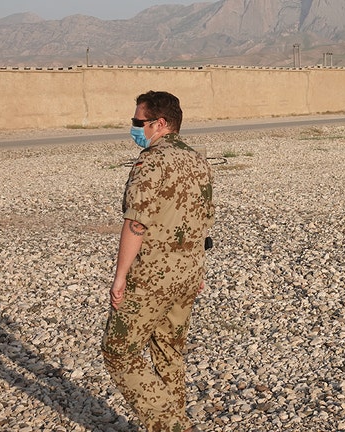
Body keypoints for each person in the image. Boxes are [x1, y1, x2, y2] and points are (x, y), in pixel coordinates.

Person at [102, 91, 214, 432]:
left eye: (139, 122)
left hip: (153, 276)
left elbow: (137, 222)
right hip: (188, 274)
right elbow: (202, 220)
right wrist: (197, 269)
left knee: (118, 350)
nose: (135, 128)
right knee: (168, 349)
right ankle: (173, 420)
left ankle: (173, 426)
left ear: (160, 124)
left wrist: (120, 276)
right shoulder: (199, 161)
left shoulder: (150, 161)